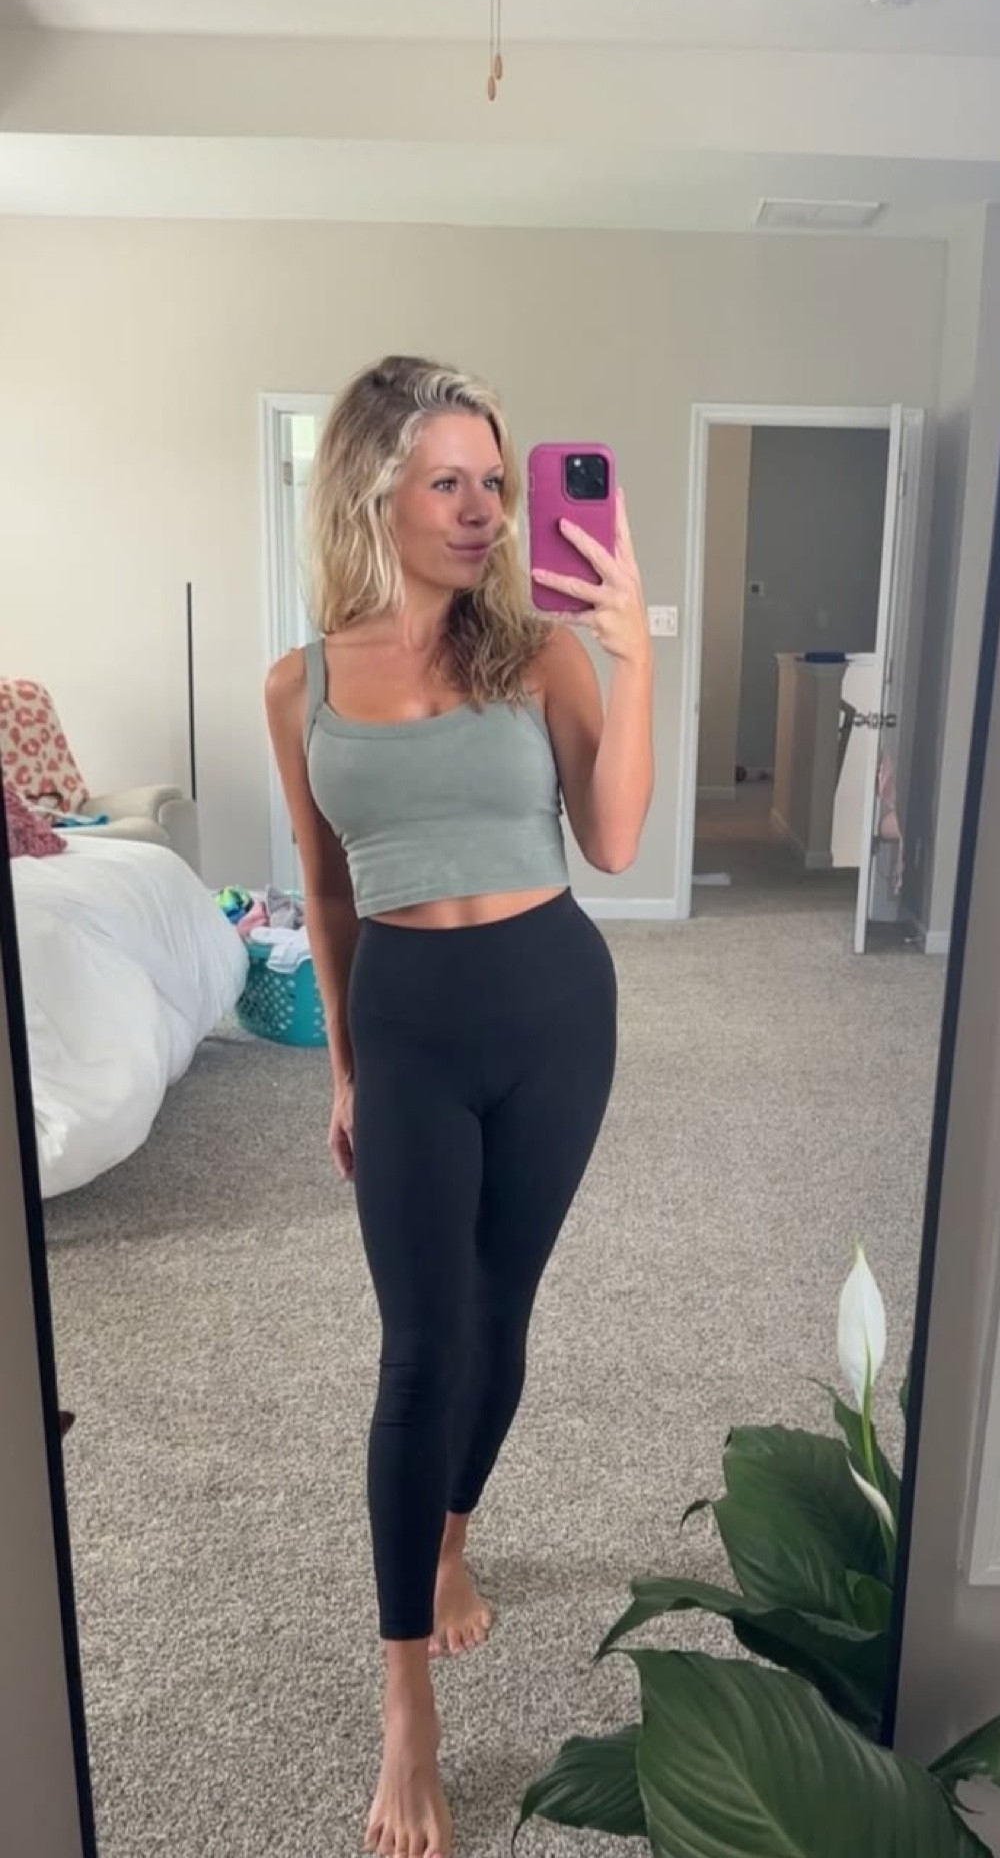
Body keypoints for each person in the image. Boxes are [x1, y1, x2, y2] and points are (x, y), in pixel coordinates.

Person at [264, 355, 654, 1858]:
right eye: (450, 482)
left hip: (556, 1013)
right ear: (374, 492)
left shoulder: (540, 651)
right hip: (411, 1029)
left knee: (501, 1313)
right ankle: (407, 1708)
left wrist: (633, 656)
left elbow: (613, 840)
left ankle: (450, 1541)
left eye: (496, 480)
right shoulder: (300, 683)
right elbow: (324, 890)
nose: (485, 508)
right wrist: (346, 1066)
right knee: (419, 1350)